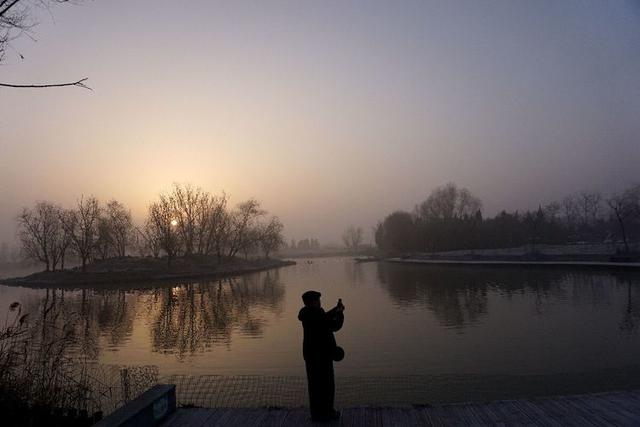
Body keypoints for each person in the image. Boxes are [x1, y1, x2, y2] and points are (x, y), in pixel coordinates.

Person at [298, 290, 345, 422]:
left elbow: (324, 317)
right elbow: (334, 325)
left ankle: (317, 414)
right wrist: (340, 313)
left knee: (314, 387)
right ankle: (328, 413)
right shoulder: (317, 314)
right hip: (323, 357)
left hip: (310, 357)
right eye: (317, 300)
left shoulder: (306, 314)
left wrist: (335, 309)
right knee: (327, 386)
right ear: (312, 302)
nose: (320, 302)